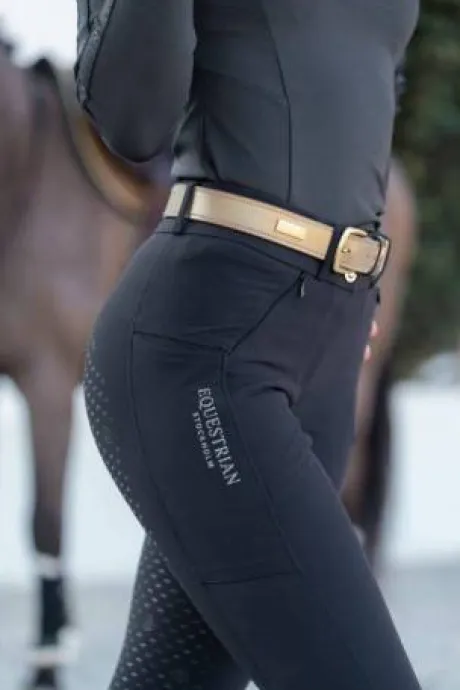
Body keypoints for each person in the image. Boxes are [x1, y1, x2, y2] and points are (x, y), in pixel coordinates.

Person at [75, 1, 421, 688]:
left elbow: (368, 77)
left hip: (327, 335)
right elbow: (133, 119)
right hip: (208, 347)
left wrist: (347, 266)